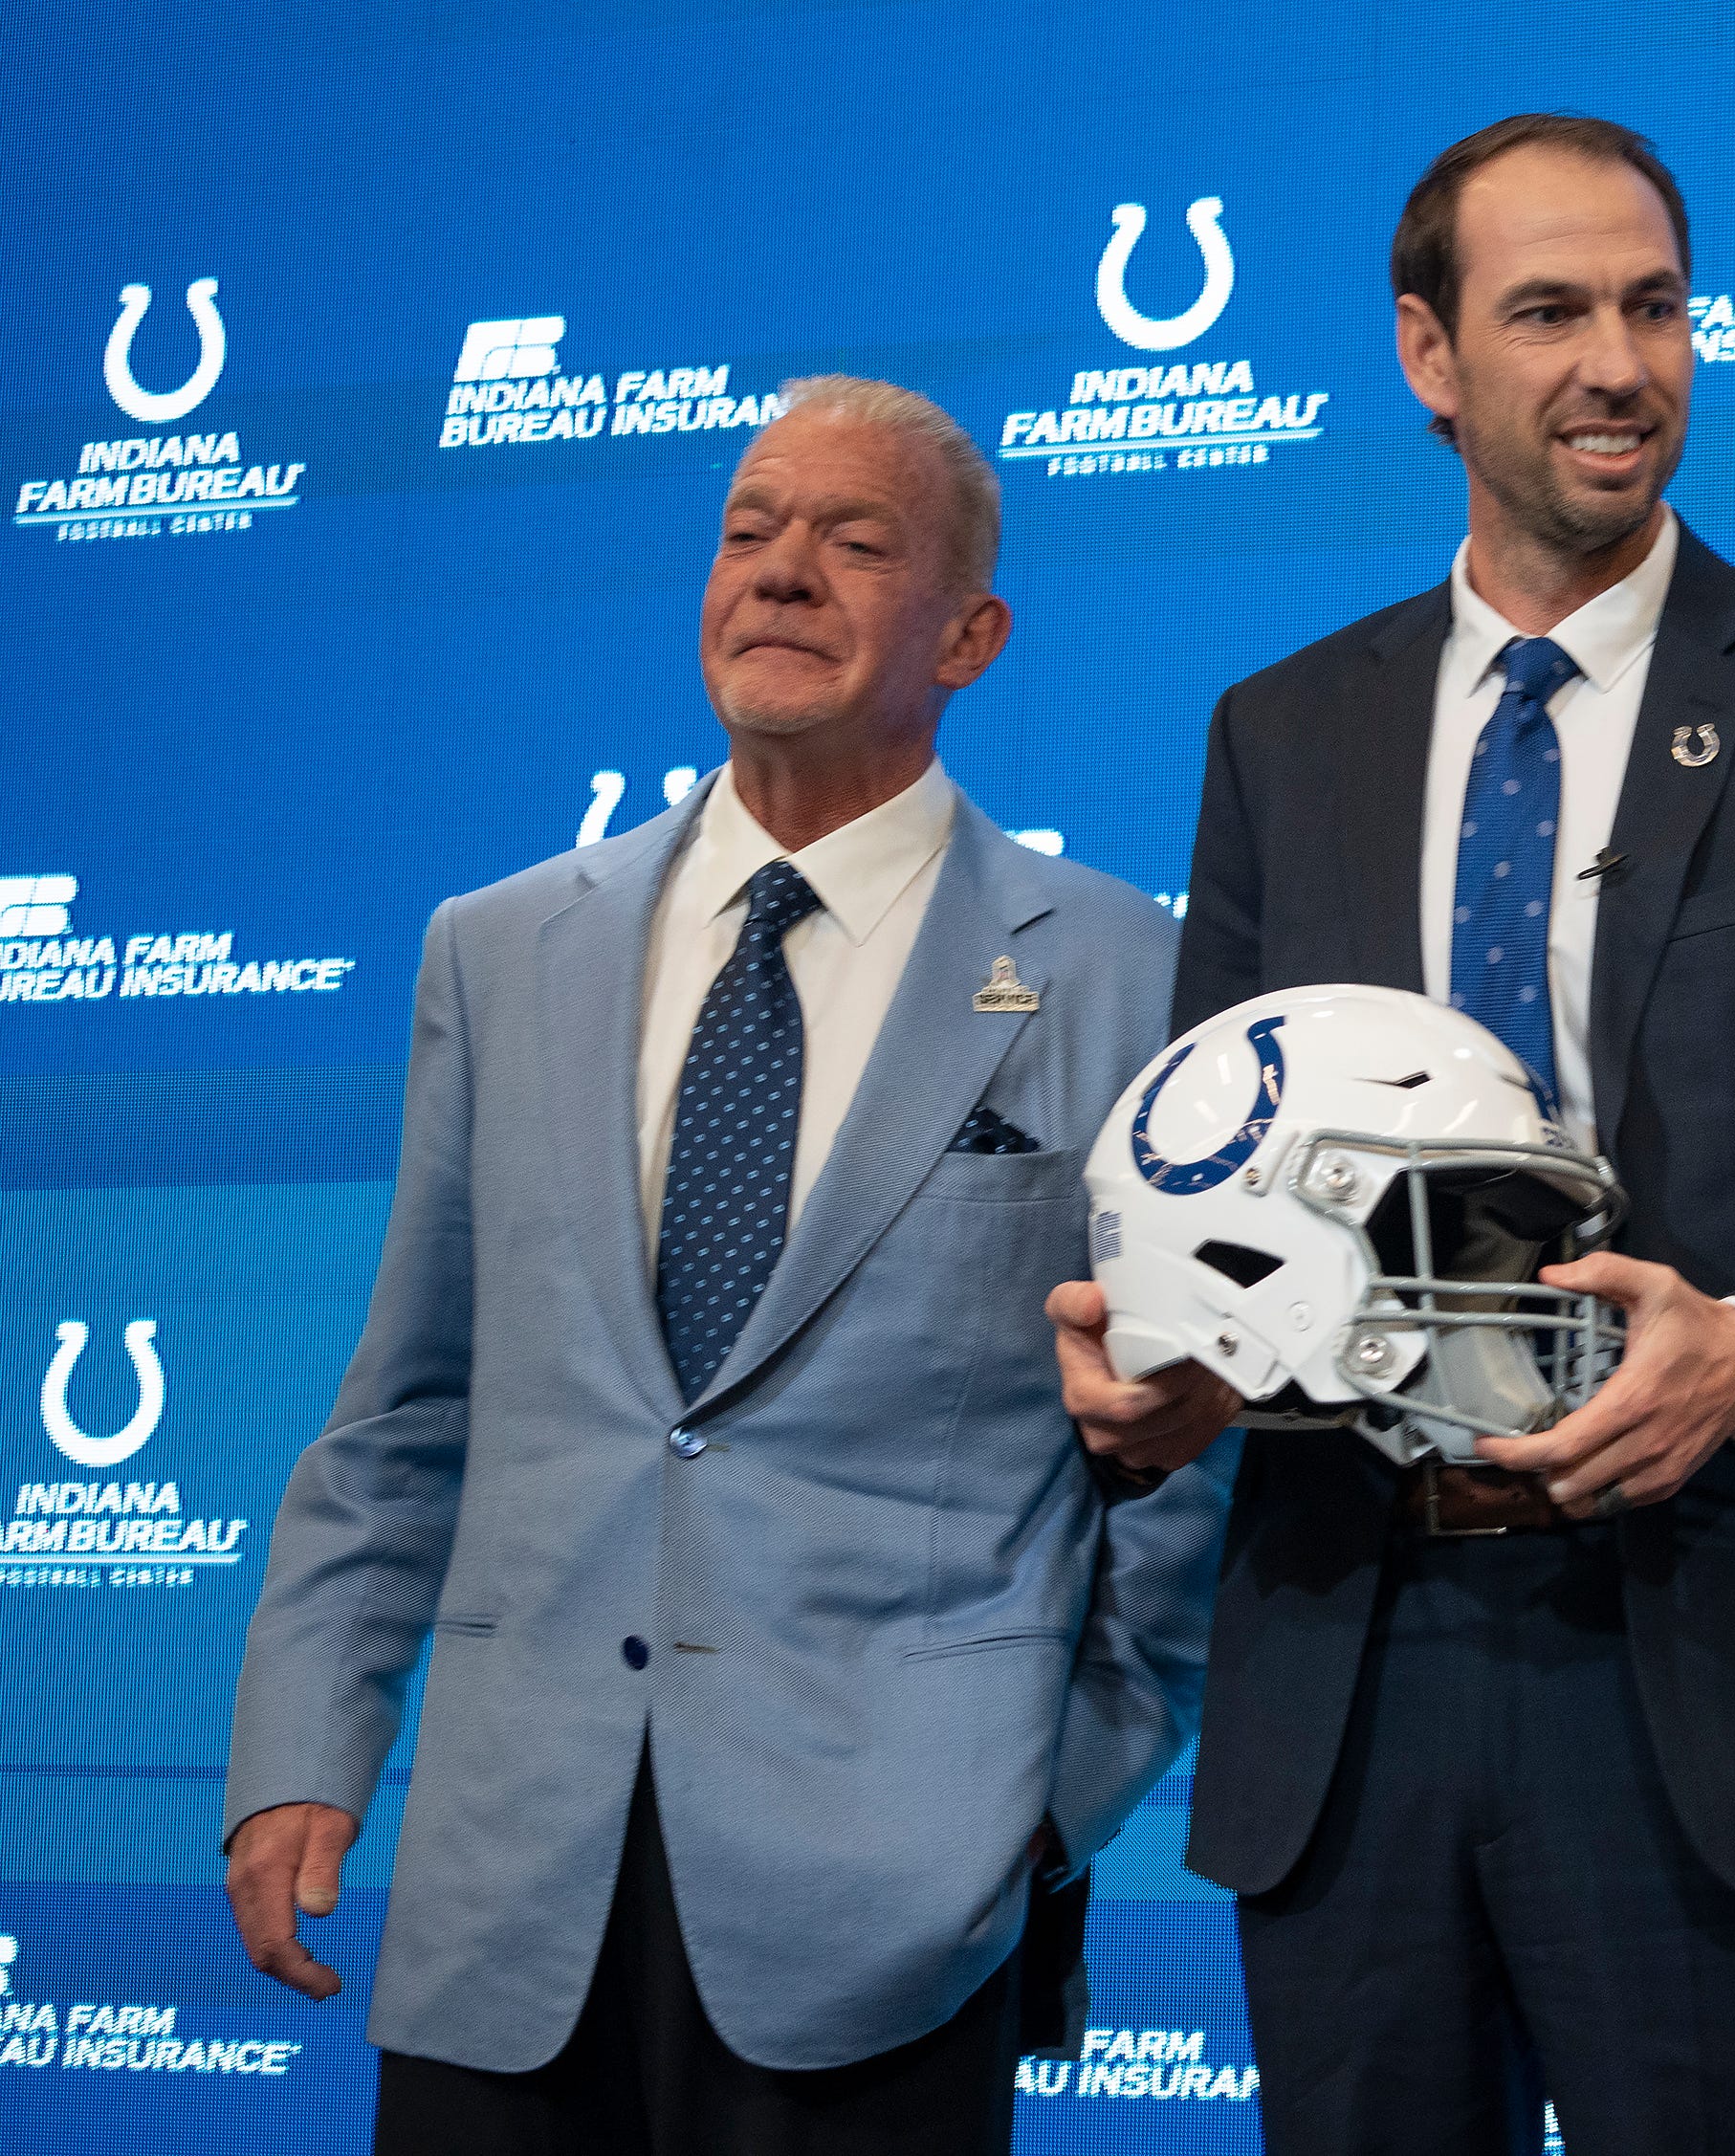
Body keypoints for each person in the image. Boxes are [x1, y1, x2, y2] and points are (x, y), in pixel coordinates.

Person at [1050, 112, 1735, 2156]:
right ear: (1429, 356)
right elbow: (1207, 1159)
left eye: (1654, 305)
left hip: (1724, 1663)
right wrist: (1159, 1365)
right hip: (1353, 1674)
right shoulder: (1284, 731)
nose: (1620, 360)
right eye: (1551, 311)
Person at [222, 376, 1228, 2155]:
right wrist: (304, 1739)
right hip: (505, 1897)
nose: (782, 574)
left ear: (972, 634)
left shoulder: (1126, 976)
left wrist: (1040, 1802)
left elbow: (1183, 1458)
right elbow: (407, 1409)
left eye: (856, 543)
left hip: (889, 1915)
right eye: (750, 531)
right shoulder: (500, 947)